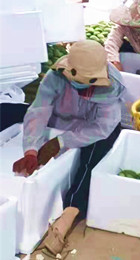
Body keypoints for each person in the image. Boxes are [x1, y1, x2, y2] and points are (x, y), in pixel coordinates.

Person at [12, 40, 126, 255]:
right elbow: (39, 110)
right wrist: (31, 149)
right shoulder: (56, 77)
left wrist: (61, 142)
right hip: (60, 121)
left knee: (92, 160)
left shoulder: (112, 84)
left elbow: (102, 126)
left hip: (93, 129)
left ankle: (69, 213)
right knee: (19, 113)